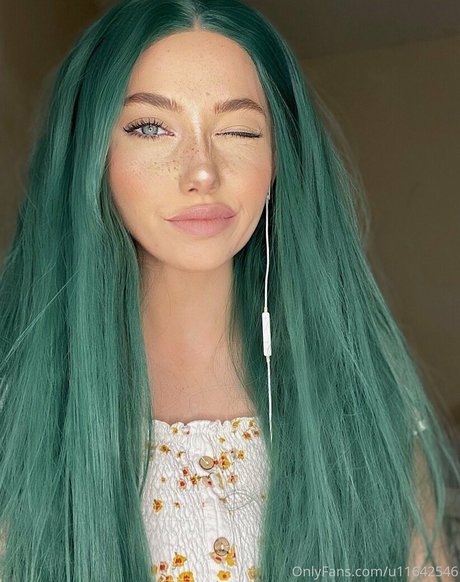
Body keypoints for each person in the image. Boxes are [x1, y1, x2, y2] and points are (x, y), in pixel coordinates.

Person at [0, 0, 458, 580]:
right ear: (92, 151)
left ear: (278, 157)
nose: (202, 172)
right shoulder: (17, 411)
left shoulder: (366, 403)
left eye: (238, 130)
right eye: (150, 127)